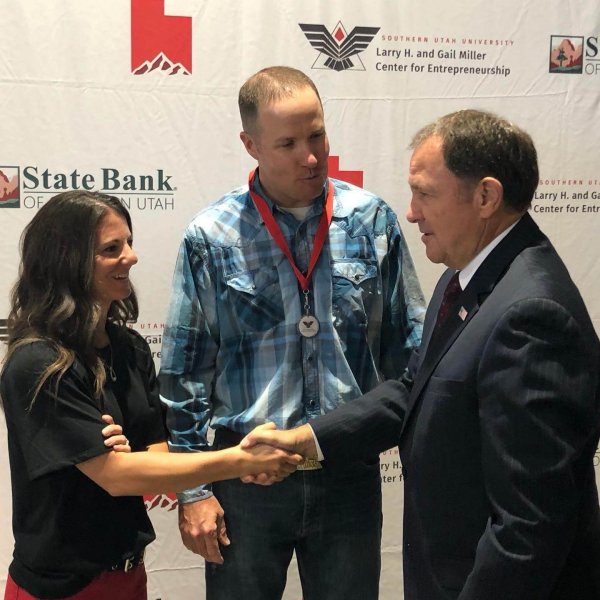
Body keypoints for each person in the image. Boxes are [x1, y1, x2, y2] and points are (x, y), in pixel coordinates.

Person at [244, 109, 600, 599]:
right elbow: (414, 388)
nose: (411, 212)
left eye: (426, 194)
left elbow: (529, 528)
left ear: (485, 197)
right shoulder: (467, 279)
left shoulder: (530, 315)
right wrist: (306, 439)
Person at [158, 65, 425, 600]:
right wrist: (193, 491)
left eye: (317, 135)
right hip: (246, 477)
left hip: (346, 471)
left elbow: (411, 353)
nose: (310, 156)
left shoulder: (373, 221)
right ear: (250, 144)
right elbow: (185, 371)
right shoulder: (212, 236)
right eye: (287, 143)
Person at [0, 190, 301, 600]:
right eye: (112, 248)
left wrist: (132, 462)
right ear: (66, 260)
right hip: (59, 587)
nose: (132, 257)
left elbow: (154, 458)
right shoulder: (38, 363)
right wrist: (238, 461)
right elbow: (116, 477)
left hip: (128, 574)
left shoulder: (130, 349)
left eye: (129, 242)